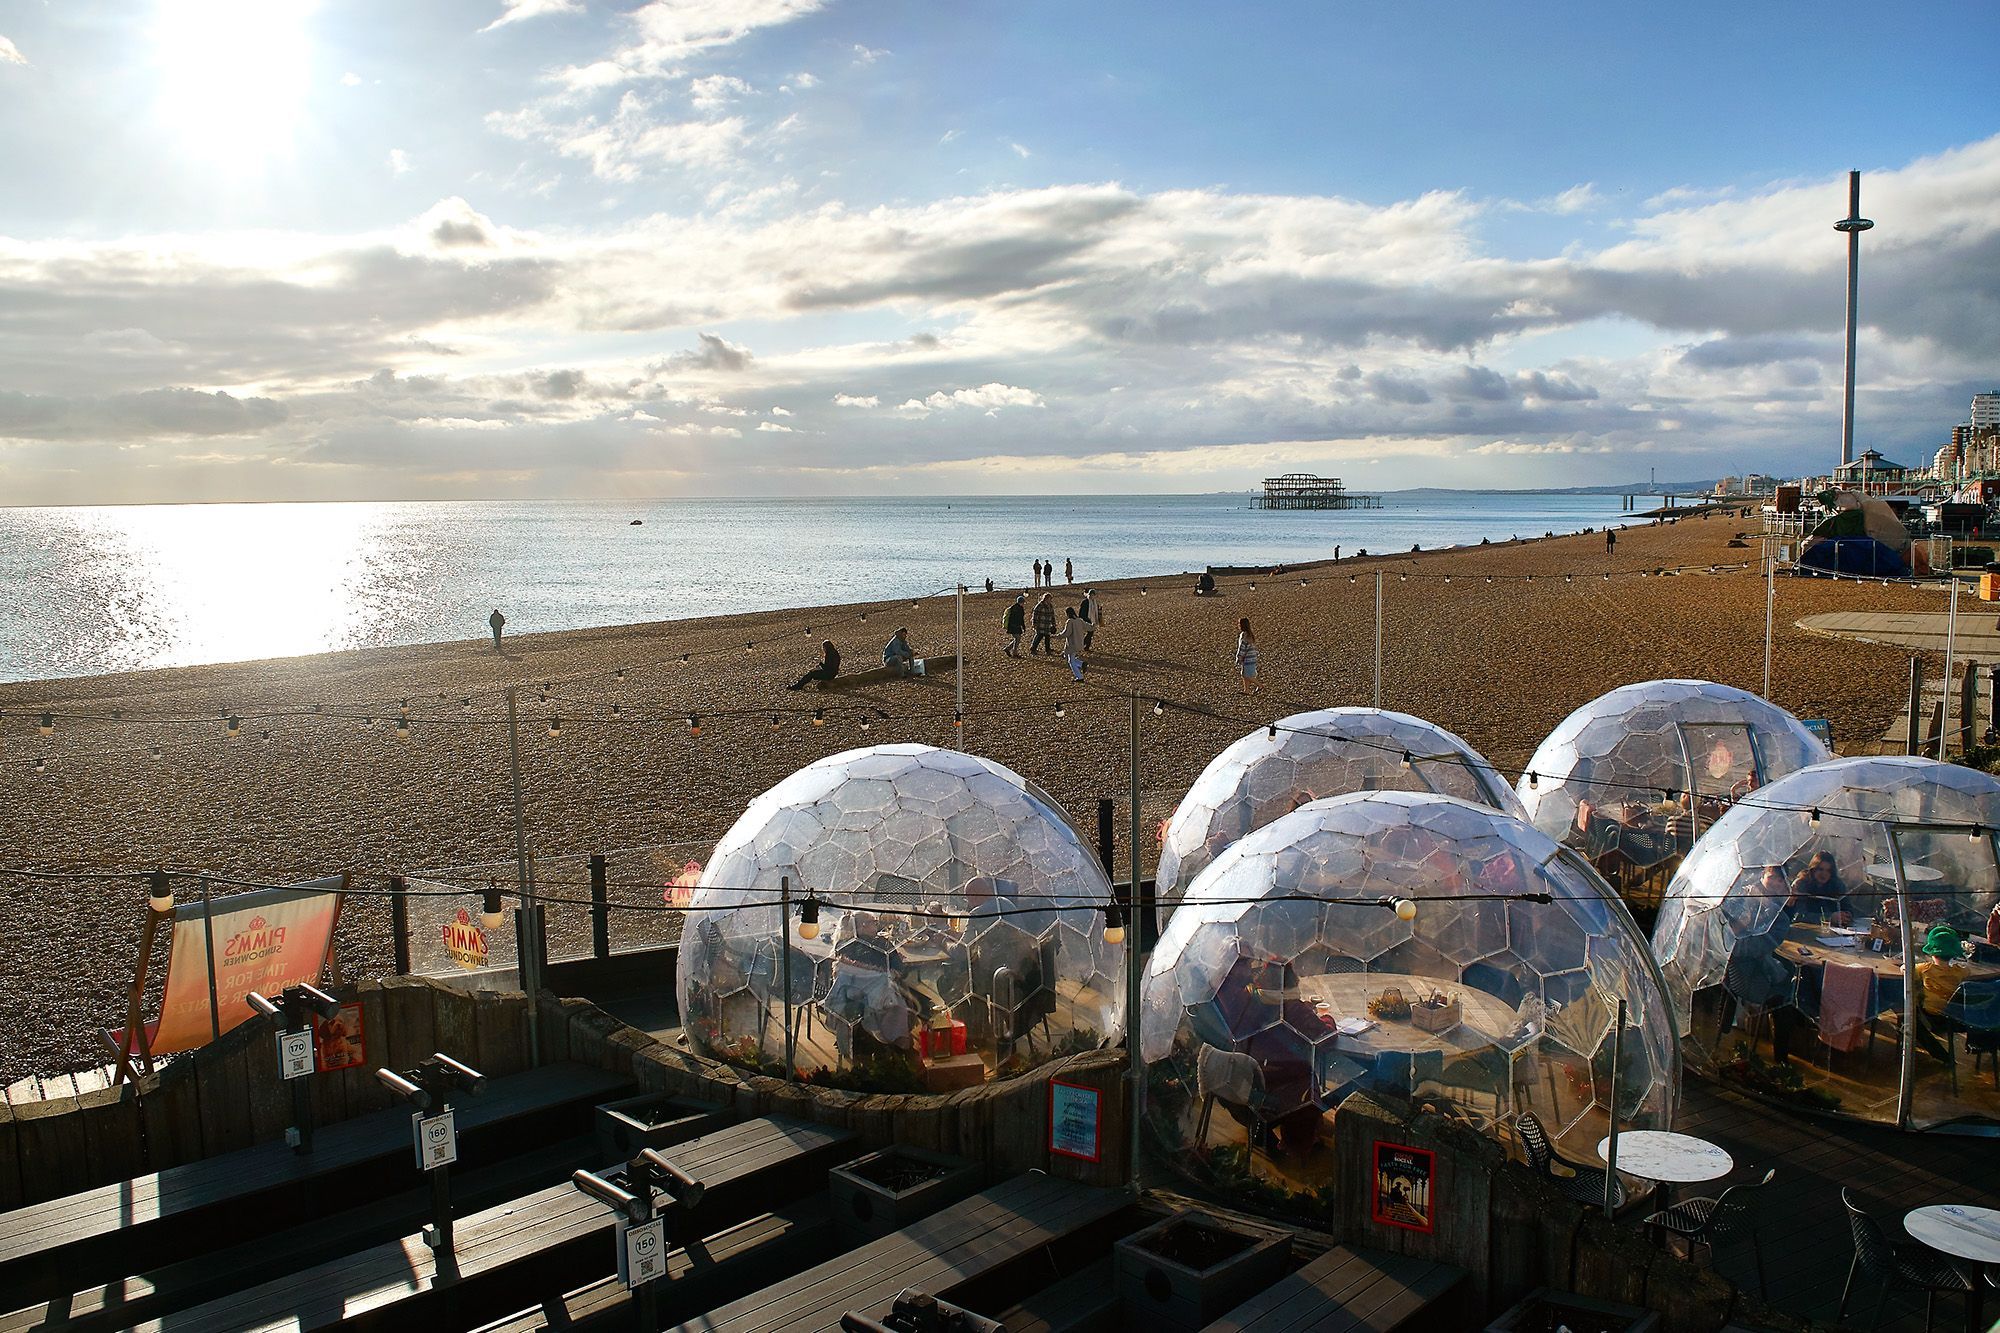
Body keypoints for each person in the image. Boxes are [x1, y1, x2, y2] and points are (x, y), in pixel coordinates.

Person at [1913, 923, 1970, 1065]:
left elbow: (1906, 971)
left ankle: (1942, 1056)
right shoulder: (1961, 972)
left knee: (1906, 1017)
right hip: (1957, 1019)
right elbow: (1968, 970)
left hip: (1932, 1018)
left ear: (1931, 952)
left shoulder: (1923, 969)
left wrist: (1902, 967)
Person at [1788, 851, 1852, 924]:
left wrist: (1847, 915)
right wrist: (1829, 917)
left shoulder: (1837, 884)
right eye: (1820, 869)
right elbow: (1799, 915)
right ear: (1813, 869)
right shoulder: (1801, 884)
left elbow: (1847, 906)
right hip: (1807, 929)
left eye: (1828, 870)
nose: (1824, 874)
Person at [1057, 606, 1087, 681]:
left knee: (1071, 661)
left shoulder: (1070, 621)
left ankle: (1079, 677)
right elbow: (1088, 626)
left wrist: (1057, 636)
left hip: (1072, 645)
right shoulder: (1079, 620)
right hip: (1079, 643)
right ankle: (1081, 664)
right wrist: (1094, 625)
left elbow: (1066, 633)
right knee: (1070, 658)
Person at [1235, 617, 1259, 694]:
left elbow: (1242, 647)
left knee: (1247, 675)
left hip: (1247, 658)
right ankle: (1246, 690)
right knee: (1244, 674)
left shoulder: (1244, 635)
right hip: (1252, 657)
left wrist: (1239, 657)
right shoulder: (1250, 634)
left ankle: (1260, 685)